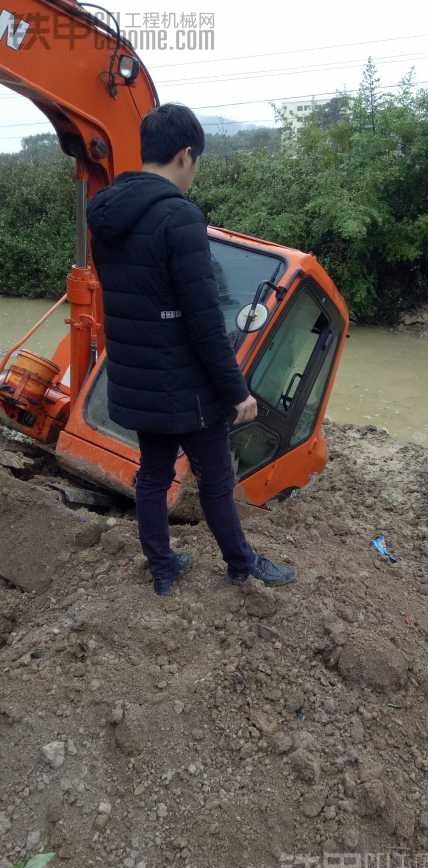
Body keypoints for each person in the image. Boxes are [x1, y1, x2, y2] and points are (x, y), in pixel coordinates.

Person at [86, 102, 296, 596]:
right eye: (196, 163)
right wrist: (236, 391)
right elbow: (204, 321)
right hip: (187, 388)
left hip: (136, 379)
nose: (194, 174)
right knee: (216, 478)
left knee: (153, 475)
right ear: (185, 155)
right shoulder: (179, 217)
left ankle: (163, 569)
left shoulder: (107, 215)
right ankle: (242, 565)